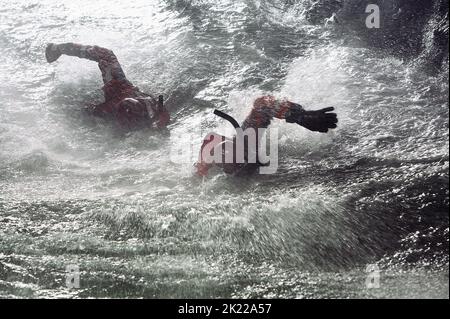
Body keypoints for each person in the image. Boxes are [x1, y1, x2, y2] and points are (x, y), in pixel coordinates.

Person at [195, 96, 338, 176]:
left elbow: (264, 104)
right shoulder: (210, 161)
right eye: (228, 165)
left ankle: (300, 115)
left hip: (245, 146)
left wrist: (299, 116)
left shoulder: (244, 142)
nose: (230, 166)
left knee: (260, 105)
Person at [45, 43, 170, 130]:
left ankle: (57, 48)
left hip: (116, 100)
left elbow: (95, 111)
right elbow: (162, 114)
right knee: (105, 55)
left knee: (86, 110)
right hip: (121, 90)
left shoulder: (109, 108)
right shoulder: (148, 104)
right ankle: (58, 48)